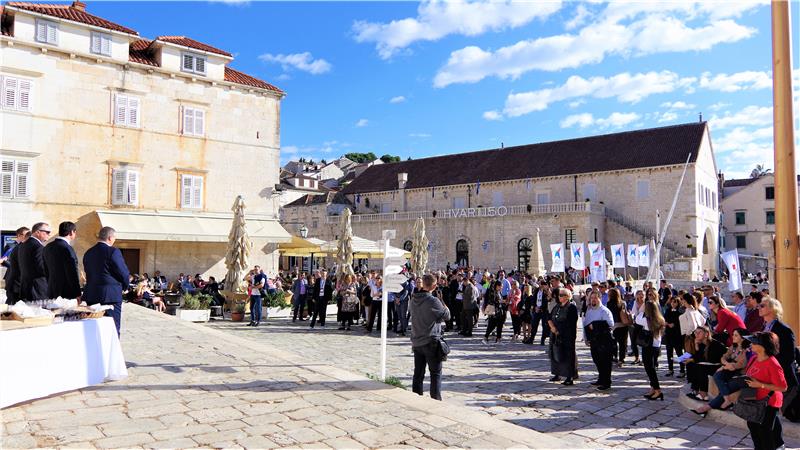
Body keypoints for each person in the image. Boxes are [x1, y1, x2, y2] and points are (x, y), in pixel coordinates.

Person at [742, 332, 788, 450]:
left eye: (753, 342)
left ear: (763, 346)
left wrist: (760, 385)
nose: (750, 344)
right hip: (754, 400)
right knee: (753, 426)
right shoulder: (753, 358)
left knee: (764, 431)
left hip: (769, 403)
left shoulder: (773, 364)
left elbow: (783, 387)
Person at [691, 328, 750, 416]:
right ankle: (725, 400)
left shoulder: (746, 350)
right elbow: (724, 357)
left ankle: (707, 407)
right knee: (717, 376)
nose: (733, 337)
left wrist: (725, 366)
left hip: (739, 373)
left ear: (743, 338)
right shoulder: (733, 347)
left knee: (718, 377)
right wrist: (725, 364)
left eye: (736, 335)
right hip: (729, 369)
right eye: (733, 334)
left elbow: (740, 365)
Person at [410, 273, 451, 401]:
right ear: (434, 286)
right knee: (435, 373)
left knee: (418, 374)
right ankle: (436, 401)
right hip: (430, 341)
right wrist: (442, 300)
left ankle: (416, 398)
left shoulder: (413, 299)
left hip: (417, 341)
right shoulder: (433, 301)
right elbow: (447, 315)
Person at [83, 226, 130, 335]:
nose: (114, 240)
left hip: (92, 295)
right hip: (110, 296)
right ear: (109, 238)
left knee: (94, 328)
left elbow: (88, 272)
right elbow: (123, 272)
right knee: (112, 328)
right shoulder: (113, 251)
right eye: (114, 238)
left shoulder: (88, 252)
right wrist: (125, 286)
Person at [759, 298, 799, 391]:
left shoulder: (783, 329)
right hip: (767, 375)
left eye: (762, 306)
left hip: (782, 379)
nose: (759, 308)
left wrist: (772, 370)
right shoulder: (764, 327)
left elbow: (789, 356)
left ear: (772, 308)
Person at [685, 326, 727, 402]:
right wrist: (696, 347)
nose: (696, 335)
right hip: (708, 364)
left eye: (699, 332)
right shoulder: (700, 343)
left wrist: (692, 359)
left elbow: (710, 359)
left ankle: (703, 394)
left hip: (718, 365)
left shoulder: (714, 344)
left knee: (699, 367)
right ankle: (695, 390)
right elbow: (699, 357)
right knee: (691, 365)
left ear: (706, 334)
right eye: (695, 332)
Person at [583, 290, 614, 390]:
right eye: (591, 298)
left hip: (604, 340)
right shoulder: (589, 310)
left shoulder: (604, 310)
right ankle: (601, 378)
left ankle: (606, 382)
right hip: (594, 340)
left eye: (595, 298)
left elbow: (611, 324)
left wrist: (595, 325)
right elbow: (586, 325)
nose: (593, 300)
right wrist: (586, 338)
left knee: (605, 362)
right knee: (597, 360)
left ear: (599, 298)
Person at [42, 221, 81, 300]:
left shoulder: (47, 247)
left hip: (51, 290)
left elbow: (45, 270)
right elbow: (72, 272)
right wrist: (77, 292)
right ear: (71, 232)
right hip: (67, 293)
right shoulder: (67, 248)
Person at [548, 288, 578, 385]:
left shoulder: (571, 308)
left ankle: (569, 376)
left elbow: (570, 323)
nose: (559, 297)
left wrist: (558, 330)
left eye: (561, 295)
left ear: (567, 296)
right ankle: (557, 374)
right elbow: (549, 317)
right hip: (555, 334)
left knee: (568, 356)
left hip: (567, 336)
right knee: (555, 354)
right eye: (559, 295)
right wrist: (552, 327)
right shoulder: (557, 306)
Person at [638, 300, 666, 400]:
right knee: (652, 368)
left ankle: (657, 390)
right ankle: (653, 388)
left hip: (648, 346)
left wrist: (641, 310)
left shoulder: (646, 319)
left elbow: (637, 320)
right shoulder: (660, 318)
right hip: (656, 346)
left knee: (650, 369)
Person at [17, 222, 51, 301]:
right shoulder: (38, 247)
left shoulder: (22, 245)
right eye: (47, 232)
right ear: (38, 232)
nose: (49, 235)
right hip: (38, 290)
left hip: (26, 289)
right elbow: (41, 267)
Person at [3, 227, 29, 304]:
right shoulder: (11, 246)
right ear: (19, 235)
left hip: (22, 279)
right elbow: (4, 261)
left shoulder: (26, 246)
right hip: (13, 279)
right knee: (12, 303)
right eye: (26, 234)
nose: (29, 236)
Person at [606, 288, 629, 367]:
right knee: (623, 344)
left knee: (614, 342)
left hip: (613, 325)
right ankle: (621, 359)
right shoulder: (623, 303)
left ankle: (615, 356)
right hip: (623, 325)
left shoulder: (608, 304)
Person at [663, 296, 684, 377]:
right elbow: (664, 318)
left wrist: (674, 324)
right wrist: (666, 323)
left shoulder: (680, 311)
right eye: (672, 302)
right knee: (669, 353)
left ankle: (682, 370)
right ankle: (670, 369)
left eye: (675, 302)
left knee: (679, 353)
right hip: (669, 334)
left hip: (677, 335)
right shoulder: (668, 310)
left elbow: (681, 321)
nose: (673, 303)